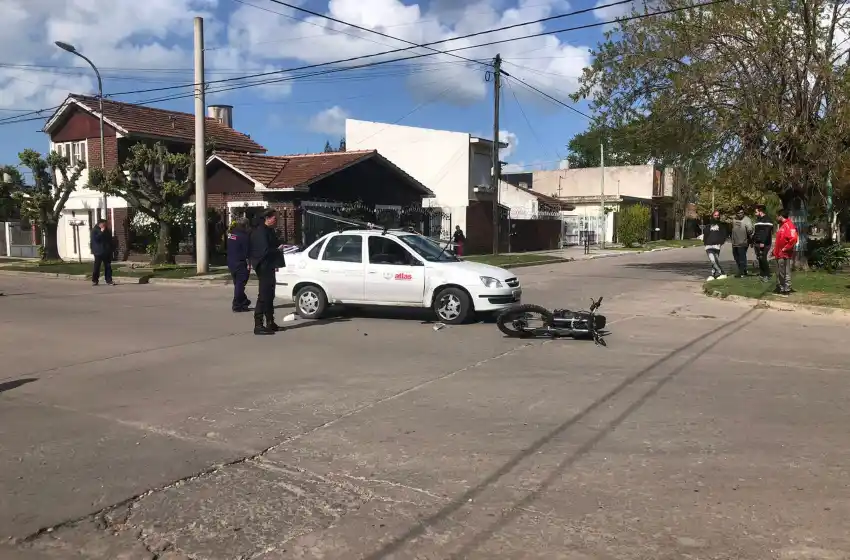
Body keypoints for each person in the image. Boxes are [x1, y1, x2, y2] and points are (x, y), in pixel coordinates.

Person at [249, 208, 286, 335]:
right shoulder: (260, 232)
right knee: (263, 296)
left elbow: (273, 246)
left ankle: (270, 322)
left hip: (270, 266)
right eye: (274, 218)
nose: (276, 221)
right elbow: (263, 251)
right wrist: (278, 249)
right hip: (263, 266)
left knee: (270, 295)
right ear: (267, 218)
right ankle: (258, 325)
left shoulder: (269, 231)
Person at [226, 217, 252, 313]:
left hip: (231, 261)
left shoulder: (231, 234)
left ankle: (244, 302)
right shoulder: (244, 236)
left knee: (237, 284)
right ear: (245, 225)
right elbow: (247, 252)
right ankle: (237, 305)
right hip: (240, 262)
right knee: (240, 284)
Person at [773, 209, 799, 296]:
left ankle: (786, 289)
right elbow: (779, 240)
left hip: (784, 254)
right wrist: (774, 251)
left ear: (781, 216)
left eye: (777, 216)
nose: (776, 218)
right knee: (780, 272)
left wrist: (785, 248)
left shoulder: (789, 225)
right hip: (778, 254)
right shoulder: (782, 226)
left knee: (784, 272)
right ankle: (780, 287)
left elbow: (794, 238)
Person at [703, 209, 728, 281]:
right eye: (715, 215)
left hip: (717, 246)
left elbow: (724, 235)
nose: (716, 216)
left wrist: (721, 243)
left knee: (715, 261)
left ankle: (712, 275)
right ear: (712, 216)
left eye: (718, 215)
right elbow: (705, 235)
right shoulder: (708, 226)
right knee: (713, 260)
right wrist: (705, 243)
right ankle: (722, 273)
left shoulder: (721, 226)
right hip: (708, 246)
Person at [752, 205, 774, 282]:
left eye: (756, 212)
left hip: (765, 243)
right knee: (759, 258)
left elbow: (767, 233)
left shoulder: (767, 220)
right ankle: (762, 273)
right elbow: (756, 232)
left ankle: (767, 274)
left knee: (763, 258)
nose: (755, 213)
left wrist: (763, 242)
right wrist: (753, 241)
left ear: (760, 211)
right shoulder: (758, 220)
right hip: (757, 242)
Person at [730, 206, 754, 277]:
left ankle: (741, 272)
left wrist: (751, 240)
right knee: (736, 257)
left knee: (742, 257)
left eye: (742, 212)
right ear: (736, 214)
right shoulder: (734, 220)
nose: (741, 214)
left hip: (743, 242)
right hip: (735, 242)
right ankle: (743, 270)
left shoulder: (747, 220)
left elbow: (750, 231)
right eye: (739, 213)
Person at [90, 219, 115, 286]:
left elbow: (110, 240)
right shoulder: (94, 230)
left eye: (105, 224)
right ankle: (95, 280)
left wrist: (111, 249)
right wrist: (101, 232)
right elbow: (96, 240)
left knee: (108, 266)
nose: (104, 226)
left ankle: (109, 280)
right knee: (97, 266)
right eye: (103, 224)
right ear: (99, 224)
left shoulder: (107, 230)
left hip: (106, 251)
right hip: (98, 252)